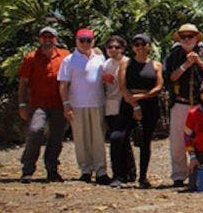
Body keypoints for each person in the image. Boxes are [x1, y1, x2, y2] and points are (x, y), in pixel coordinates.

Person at [163, 23, 203, 187]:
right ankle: (178, 175)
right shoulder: (174, 55)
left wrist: (200, 63)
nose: (187, 39)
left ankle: (200, 172)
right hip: (180, 103)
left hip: (201, 105)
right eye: (184, 37)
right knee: (177, 141)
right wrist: (186, 65)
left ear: (197, 38)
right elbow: (169, 77)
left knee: (202, 138)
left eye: (190, 36)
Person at [18, 27, 70, 183]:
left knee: (56, 137)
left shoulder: (65, 56)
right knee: (35, 130)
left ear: (56, 39)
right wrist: (22, 104)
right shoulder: (31, 58)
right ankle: (27, 169)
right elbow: (23, 83)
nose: (47, 40)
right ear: (39, 39)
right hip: (38, 104)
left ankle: (52, 170)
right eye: (44, 37)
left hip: (59, 104)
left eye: (50, 37)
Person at [58, 28, 110, 185]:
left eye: (88, 40)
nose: (85, 43)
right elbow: (63, 85)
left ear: (93, 41)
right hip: (77, 105)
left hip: (97, 103)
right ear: (76, 41)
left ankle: (101, 171)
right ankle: (85, 170)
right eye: (82, 40)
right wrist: (66, 105)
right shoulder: (69, 60)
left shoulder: (100, 58)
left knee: (98, 138)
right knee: (81, 139)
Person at [111, 33, 163, 189]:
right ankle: (119, 175)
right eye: (136, 44)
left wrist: (143, 96)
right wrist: (135, 105)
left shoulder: (156, 65)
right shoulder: (125, 64)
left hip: (150, 105)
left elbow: (159, 86)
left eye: (143, 44)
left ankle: (143, 177)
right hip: (128, 103)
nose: (140, 47)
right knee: (117, 137)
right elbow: (122, 87)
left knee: (145, 141)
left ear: (148, 46)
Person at [102, 35, 128, 140]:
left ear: (122, 49)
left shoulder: (128, 63)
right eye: (110, 47)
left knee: (119, 136)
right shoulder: (106, 64)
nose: (113, 49)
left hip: (124, 103)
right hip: (110, 104)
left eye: (117, 47)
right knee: (115, 134)